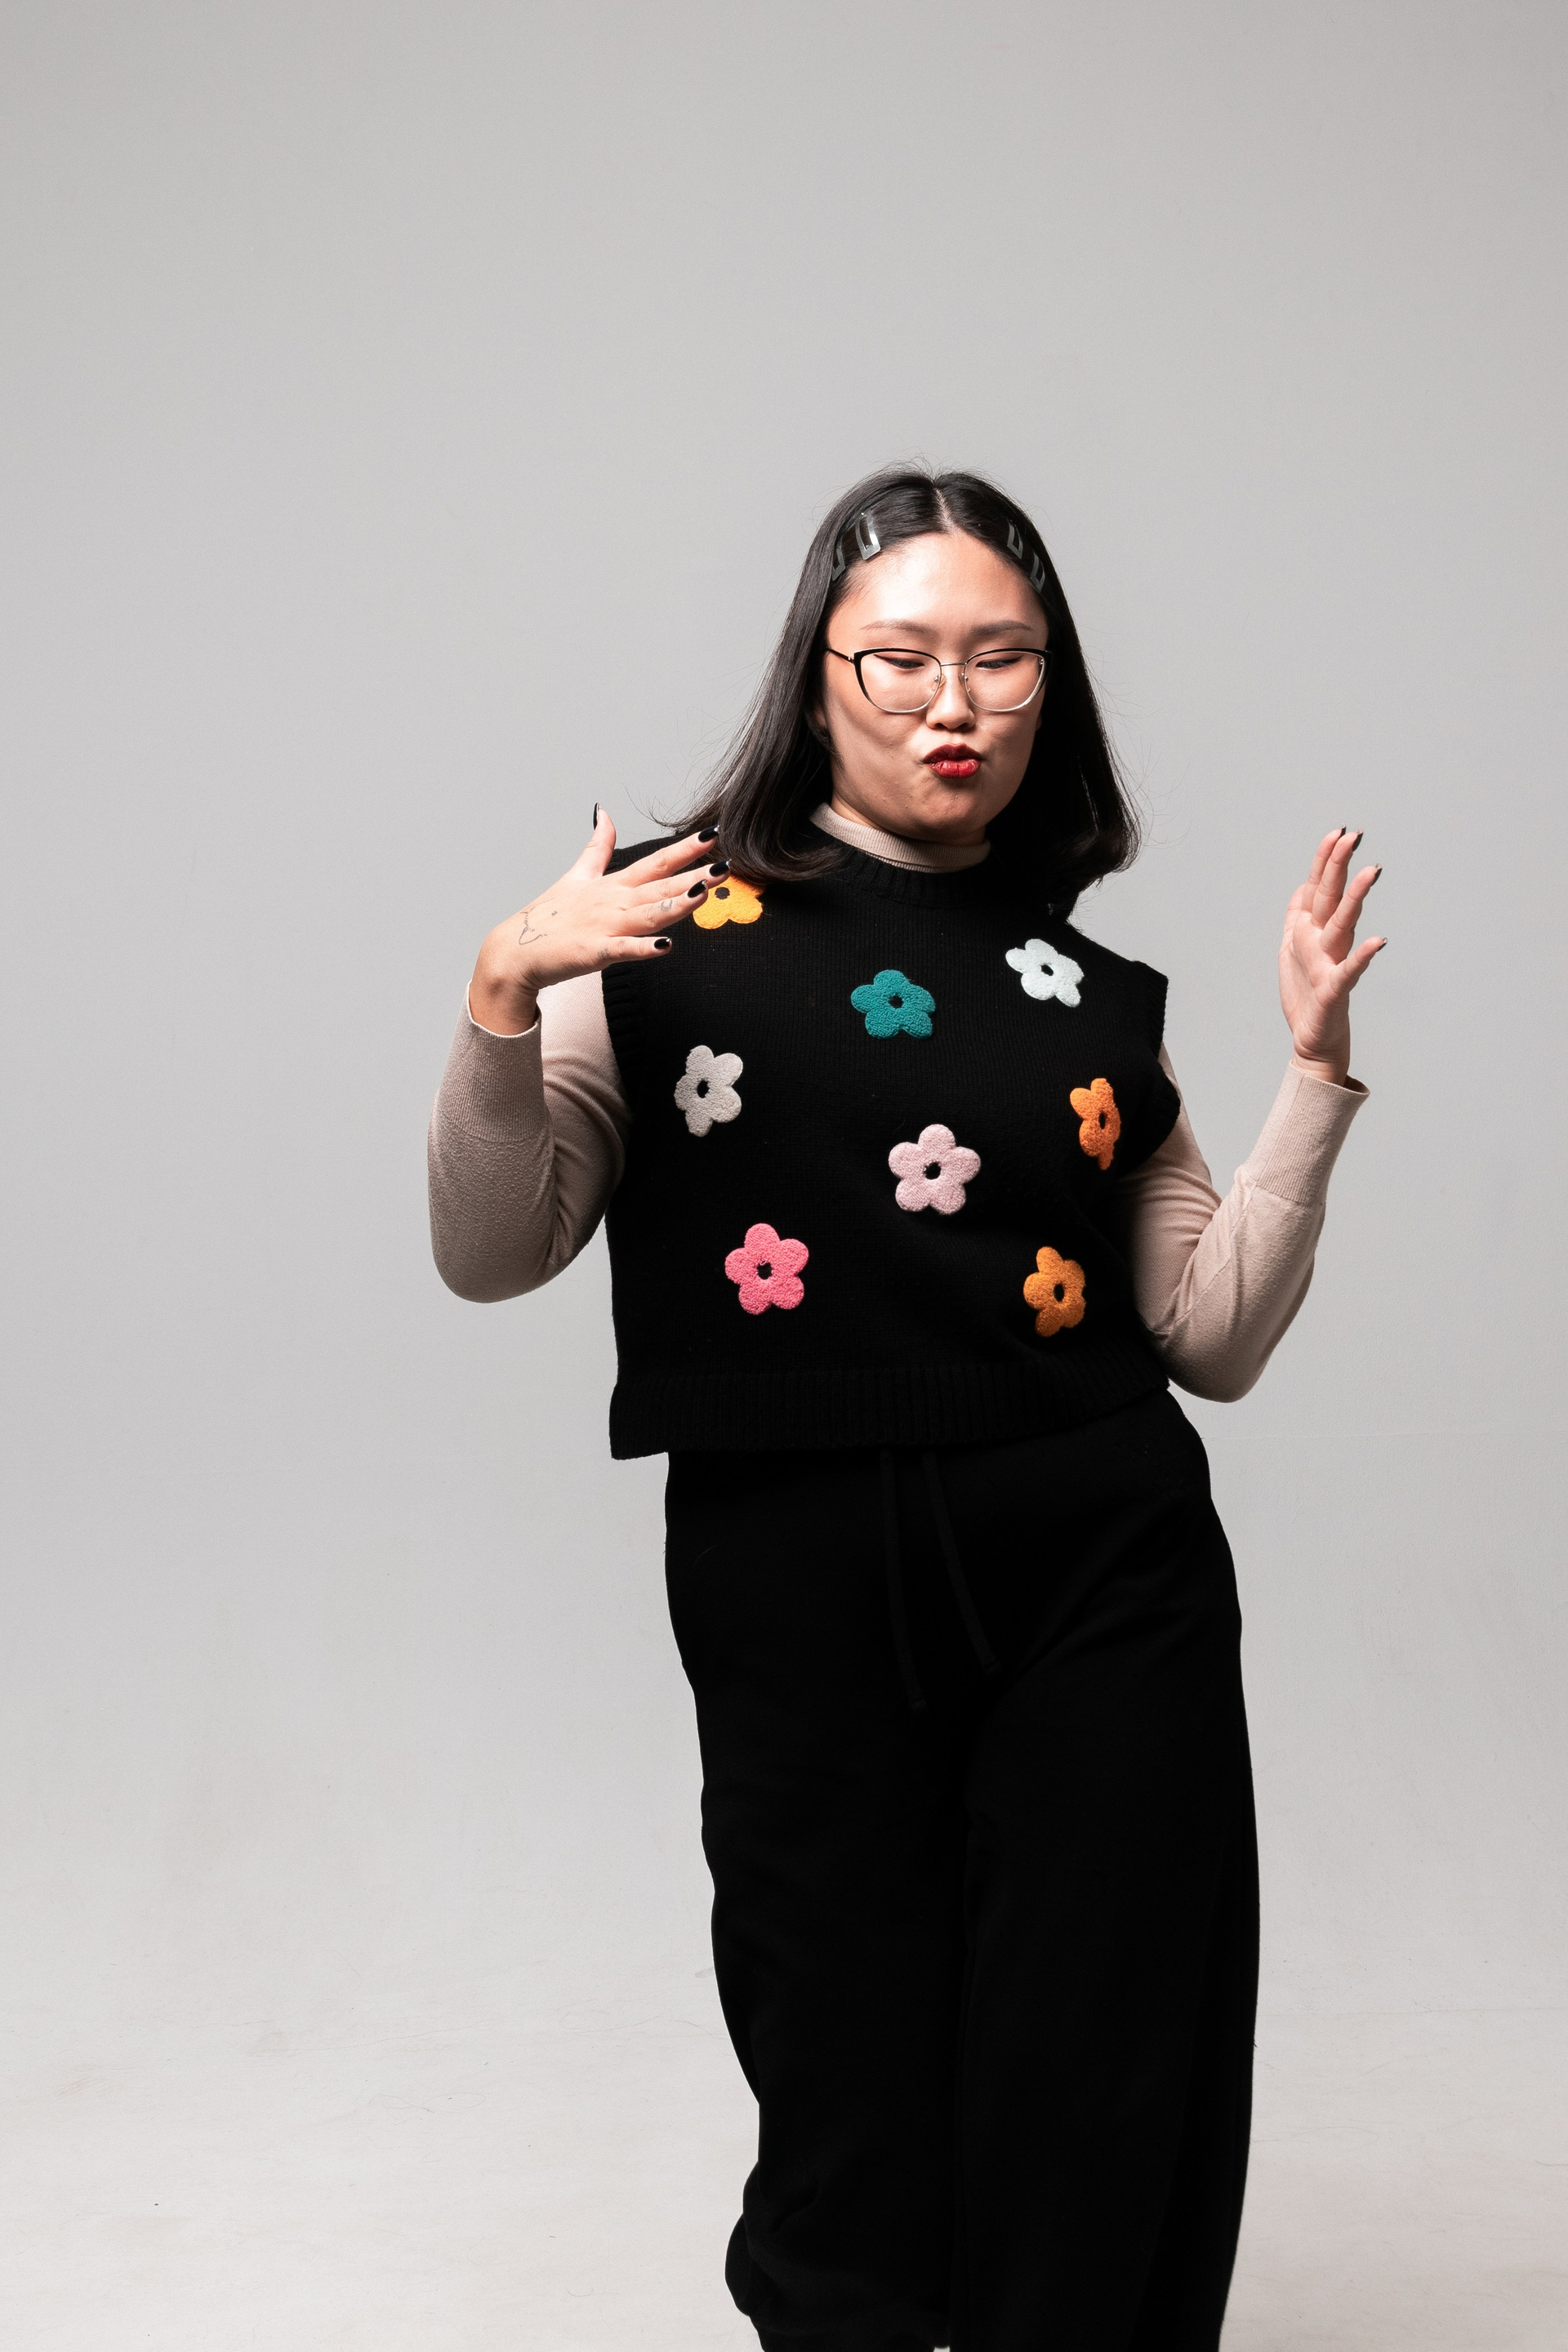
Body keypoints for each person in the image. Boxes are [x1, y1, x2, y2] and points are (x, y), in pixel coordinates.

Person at [428, 466, 1380, 2352]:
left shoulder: (1090, 994)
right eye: (904, 657)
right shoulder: (657, 930)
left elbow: (1209, 1334)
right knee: (842, 2088)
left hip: (1106, 1567)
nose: (956, 701)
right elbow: (494, 1245)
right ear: (819, 675)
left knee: (1100, 2076)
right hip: (794, 1574)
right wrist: (500, 994)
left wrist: (1314, 1076)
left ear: (1050, 686)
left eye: (1002, 659)